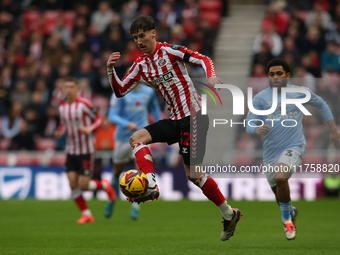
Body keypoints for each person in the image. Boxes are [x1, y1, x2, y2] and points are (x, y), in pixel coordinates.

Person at [106, 15, 241, 241]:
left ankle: (229, 213)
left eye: (142, 35)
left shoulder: (170, 51)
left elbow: (203, 58)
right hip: (175, 119)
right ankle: (150, 183)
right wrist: (110, 71)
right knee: (136, 138)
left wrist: (212, 76)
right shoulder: (140, 65)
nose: (139, 41)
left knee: (194, 175)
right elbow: (120, 91)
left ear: (153, 33)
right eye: (135, 38)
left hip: (194, 117)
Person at [246, 58, 340, 240]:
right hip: (270, 153)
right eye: (271, 74)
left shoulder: (300, 93)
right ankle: (290, 211)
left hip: (294, 146)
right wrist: (256, 129)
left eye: (279, 73)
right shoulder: (260, 98)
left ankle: (287, 222)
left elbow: (322, 104)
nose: (275, 77)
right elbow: (249, 122)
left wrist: (333, 129)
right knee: (278, 192)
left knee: (281, 178)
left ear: (287, 75)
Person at [55, 77, 116, 224]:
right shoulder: (62, 106)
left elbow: (99, 119)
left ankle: (105, 185)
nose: (68, 90)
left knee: (84, 185)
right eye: (66, 87)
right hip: (70, 150)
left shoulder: (84, 104)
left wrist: (90, 128)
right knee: (72, 183)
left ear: (77, 89)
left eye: (71, 87)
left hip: (86, 150)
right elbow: (64, 124)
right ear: (63, 89)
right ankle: (86, 213)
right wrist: (59, 131)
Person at [104, 83, 161, 220]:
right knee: (117, 170)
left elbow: (155, 109)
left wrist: (159, 126)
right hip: (123, 138)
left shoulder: (148, 92)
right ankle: (112, 199)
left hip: (141, 137)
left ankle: (136, 206)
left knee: (141, 171)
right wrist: (126, 124)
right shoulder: (120, 93)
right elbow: (112, 115)